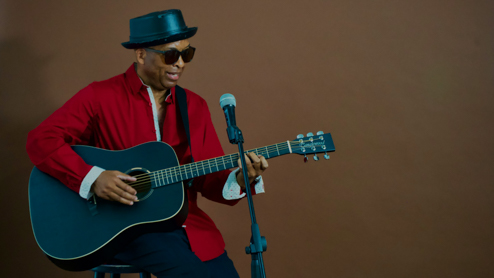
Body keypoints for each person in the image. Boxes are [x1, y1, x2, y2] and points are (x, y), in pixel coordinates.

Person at [26, 9, 268, 278]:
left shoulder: (195, 106)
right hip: (123, 227)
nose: (180, 64)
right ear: (141, 54)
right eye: (171, 55)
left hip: (188, 226)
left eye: (186, 54)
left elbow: (207, 178)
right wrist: (93, 178)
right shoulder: (100, 96)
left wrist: (242, 178)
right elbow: (40, 140)